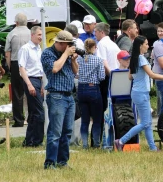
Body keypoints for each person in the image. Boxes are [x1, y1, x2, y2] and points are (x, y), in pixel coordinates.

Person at [114, 36, 163, 152]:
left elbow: (129, 77)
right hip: (141, 93)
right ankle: (121, 141)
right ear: (140, 46)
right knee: (145, 123)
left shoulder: (134, 58)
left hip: (138, 92)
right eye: (146, 44)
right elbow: (152, 75)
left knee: (147, 122)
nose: (148, 46)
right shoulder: (141, 59)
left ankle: (153, 148)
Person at [40, 30, 79, 169]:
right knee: (55, 132)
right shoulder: (47, 53)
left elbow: (76, 73)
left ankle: (63, 161)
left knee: (67, 131)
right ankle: (50, 162)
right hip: (56, 95)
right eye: (68, 44)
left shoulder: (67, 55)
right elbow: (55, 69)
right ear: (61, 43)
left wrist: (73, 59)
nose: (70, 47)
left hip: (69, 96)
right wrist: (65, 54)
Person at [18, 26, 45, 147]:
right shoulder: (25, 49)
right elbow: (22, 68)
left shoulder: (39, 49)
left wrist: (43, 85)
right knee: (40, 112)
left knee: (34, 113)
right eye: (39, 35)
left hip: (39, 80)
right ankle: (37, 140)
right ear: (32, 35)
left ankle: (29, 141)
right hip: (31, 79)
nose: (41, 37)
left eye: (41, 35)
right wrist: (29, 84)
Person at [76, 39, 106, 149]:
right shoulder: (98, 60)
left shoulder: (79, 59)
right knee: (97, 119)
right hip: (93, 88)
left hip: (81, 89)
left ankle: (84, 144)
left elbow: (76, 75)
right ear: (94, 47)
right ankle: (96, 143)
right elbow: (102, 77)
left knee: (85, 120)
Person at [4, 13, 30, 128]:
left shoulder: (11, 34)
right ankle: (32, 117)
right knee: (31, 90)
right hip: (30, 64)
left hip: (16, 63)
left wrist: (10, 66)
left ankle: (18, 120)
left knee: (17, 93)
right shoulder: (31, 33)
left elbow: (7, 53)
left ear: (16, 22)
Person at [94, 22, 120, 116]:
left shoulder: (101, 44)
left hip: (108, 76)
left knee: (105, 105)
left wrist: (111, 75)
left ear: (101, 32)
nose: (94, 34)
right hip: (115, 74)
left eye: (96, 31)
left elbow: (103, 62)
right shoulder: (113, 44)